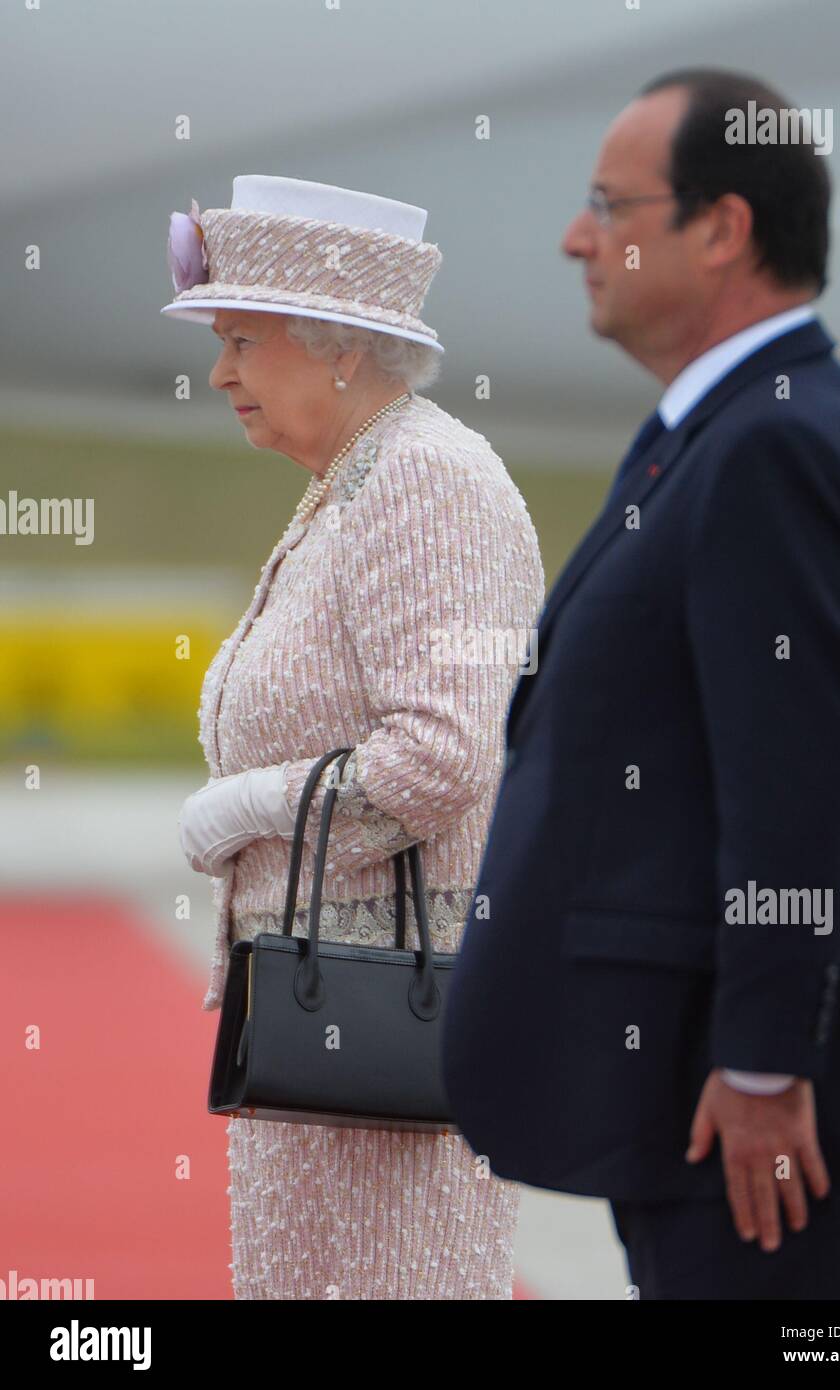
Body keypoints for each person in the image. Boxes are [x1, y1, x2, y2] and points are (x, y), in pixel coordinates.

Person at [442, 70, 840, 1299]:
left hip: (761, 1125)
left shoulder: (767, 438)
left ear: (719, 229)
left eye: (608, 204)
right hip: (693, 1096)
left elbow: (790, 785)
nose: (574, 236)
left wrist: (765, 1068)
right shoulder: (733, 425)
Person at [167, 174, 545, 1299]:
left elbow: (440, 755)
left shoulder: (427, 480)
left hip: (391, 1028)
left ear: (339, 348)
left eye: (241, 339)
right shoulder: (353, 479)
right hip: (314, 1023)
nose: (220, 372)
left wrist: (249, 805)